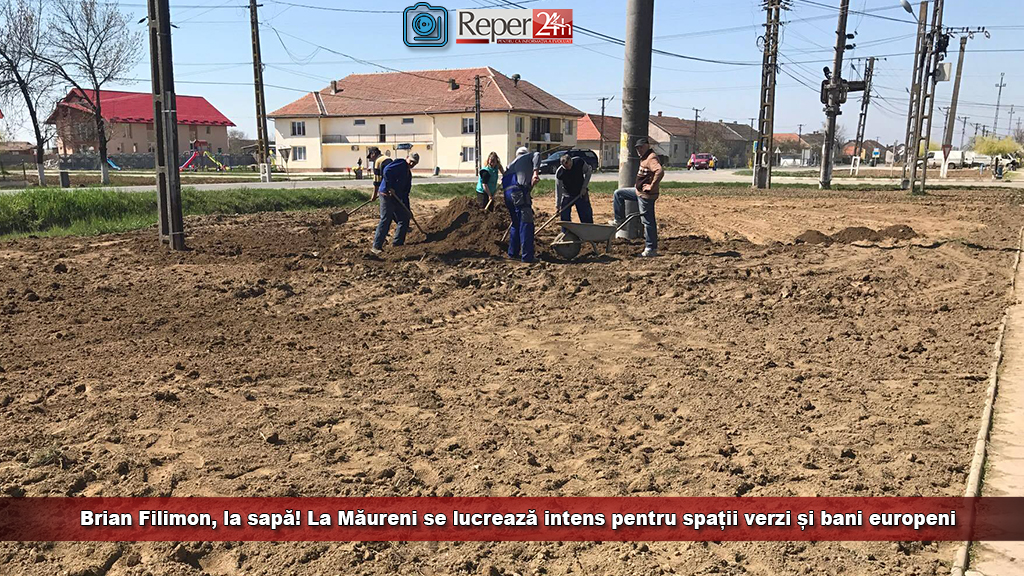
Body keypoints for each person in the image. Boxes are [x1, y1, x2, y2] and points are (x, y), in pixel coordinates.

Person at [612, 138, 664, 257]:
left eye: (641, 147)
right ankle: (619, 220)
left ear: (647, 146)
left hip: (646, 196)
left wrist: (651, 186)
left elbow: (659, 171)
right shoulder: (645, 157)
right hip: (638, 192)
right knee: (618, 194)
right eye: (637, 148)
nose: (639, 150)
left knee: (648, 221)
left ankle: (651, 248)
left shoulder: (651, 158)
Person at [371, 153, 420, 255]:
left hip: (396, 198)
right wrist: (389, 186)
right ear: (407, 158)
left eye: (414, 163)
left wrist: (407, 209)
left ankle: (397, 244)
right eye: (411, 161)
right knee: (386, 219)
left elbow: (405, 194)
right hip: (386, 195)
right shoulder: (400, 163)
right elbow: (387, 171)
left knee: (404, 218)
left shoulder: (408, 175)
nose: (411, 164)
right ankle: (376, 246)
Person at [502, 146, 541, 263]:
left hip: (508, 196)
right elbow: (537, 155)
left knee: (516, 223)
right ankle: (527, 256)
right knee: (526, 224)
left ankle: (513, 253)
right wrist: (535, 173)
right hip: (519, 194)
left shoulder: (511, 165)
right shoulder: (527, 157)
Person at [554, 153, 594, 225]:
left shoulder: (579, 162)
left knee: (586, 215)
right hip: (567, 195)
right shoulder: (560, 173)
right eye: (566, 167)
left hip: (581, 193)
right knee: (565, 216)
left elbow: (588, 171)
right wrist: (558, 206)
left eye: (569, 165)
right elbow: (558, 190)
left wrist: (584, 187)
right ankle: (566, 230)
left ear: (571, 160)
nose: (569, 168)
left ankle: (588, 229)